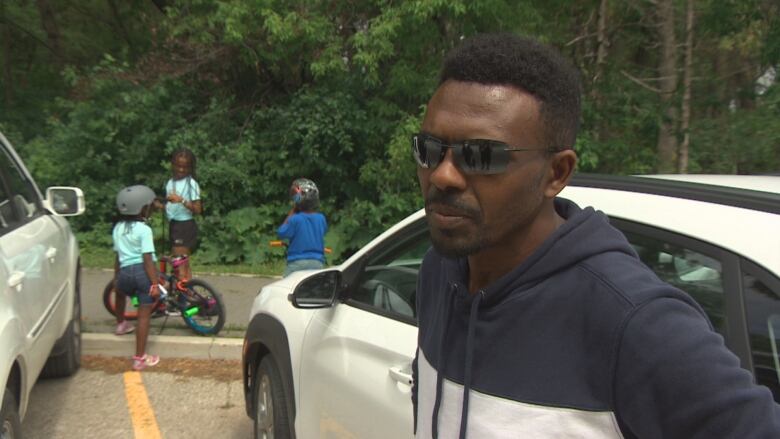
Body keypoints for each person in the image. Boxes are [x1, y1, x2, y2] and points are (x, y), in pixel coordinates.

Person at [410, 33, 780, 438]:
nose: (443, 174)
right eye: (430, 148)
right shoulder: (440, 270)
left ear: (556, 173)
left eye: (479, 156)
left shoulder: (636, 323)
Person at [112, 185, 161, 371]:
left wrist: (116, 278)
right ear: (143, 208)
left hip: (124, 271)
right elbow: (147, 258)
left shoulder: (117, 228)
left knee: (119, 292)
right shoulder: (144, 230)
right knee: (143, 315)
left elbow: (117, 256)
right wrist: (155, 283)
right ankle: (140, 358)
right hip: (141, 273)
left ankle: (120, 324)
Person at [163, 148, 202, 281]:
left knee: (180, 264)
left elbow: (198, 209)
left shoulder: (191, 184)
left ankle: (186, 294)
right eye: (178, 166)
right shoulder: (170, 182)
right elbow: (169, 203)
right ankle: (187, 291)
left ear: (190, 168)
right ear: (173, 164)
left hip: (184, 225)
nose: (181, 170)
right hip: (174, 224)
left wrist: (182, 200)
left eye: (185, 167)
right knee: (180, 263)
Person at [277, 178, 328, 277]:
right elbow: (323, 231)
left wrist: (293, 211)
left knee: (287, 288)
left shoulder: (295, 219)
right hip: (317, 263)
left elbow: (281, 233)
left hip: (297, 263)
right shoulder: (321, 218)